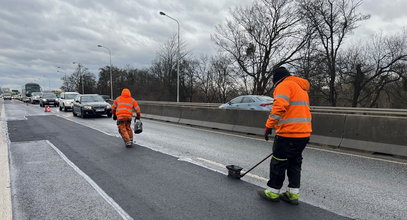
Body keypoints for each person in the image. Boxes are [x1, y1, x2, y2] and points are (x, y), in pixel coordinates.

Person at [257, 66, 312, 205]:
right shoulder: (301, 88)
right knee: (294, 162)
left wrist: (269, 125)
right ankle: (292, 195)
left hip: (288, 133)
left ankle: (272, 192)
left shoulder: (284, 85)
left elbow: (279, 106)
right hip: (304, 133)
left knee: (278, 161)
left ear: (276, 79)